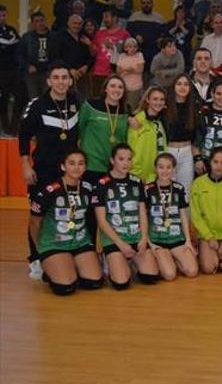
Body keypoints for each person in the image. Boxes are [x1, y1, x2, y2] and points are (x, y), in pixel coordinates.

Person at [19, 65, 81, 277]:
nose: (61, 82)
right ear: (48, 81)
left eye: (65, 77)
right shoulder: (37, 105)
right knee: (39, 215)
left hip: (69, 173)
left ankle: (60, 252)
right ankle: (35, 257)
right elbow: (24, 135)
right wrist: (25, 164)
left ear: (70, 81)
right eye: (56, 78)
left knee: (64, 212)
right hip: (43, 171)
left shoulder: (76, 102)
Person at [28, 149, 103, 295]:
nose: (77, 167)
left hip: (80, 242)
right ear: (63, 166)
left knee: (94, 282)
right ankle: (51, 268)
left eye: (81, 163)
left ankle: (70, 263)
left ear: (85, 167)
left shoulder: (88, 188)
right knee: (66, 288)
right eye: (72, 163)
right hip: (54, 243)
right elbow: (34, 222)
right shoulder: (50, 190)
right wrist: (40, 249)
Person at [93, 143, 160, 290]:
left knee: (151, 277)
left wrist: (143, 238)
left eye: (129, 159)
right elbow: (101, 221)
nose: (126, 163)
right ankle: (111, 260)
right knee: (121, 283)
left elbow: (142, 213)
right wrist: (120, 244)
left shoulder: (137, 182)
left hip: (135, 235)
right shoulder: (101, 184)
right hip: (115, 239)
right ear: (112, 160)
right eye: (121, 159)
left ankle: (130, 261)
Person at [145, 153, 198, 280]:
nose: (165, 171)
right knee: (169, 275)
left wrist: (188, 241)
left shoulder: (179, 188)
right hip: (157, 240)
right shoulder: (148, 189)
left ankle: (171, 258)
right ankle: (164, 258)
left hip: (176, 238)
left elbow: (183, 216)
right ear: (155, 169)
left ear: (174, 169)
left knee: (192, 272)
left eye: (169, 167)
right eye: (161, 167)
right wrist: (149, 243)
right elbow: (143, 218)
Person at [78, 75, 129, 183]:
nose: (116, 89)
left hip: (115, 166)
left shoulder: (126, 111)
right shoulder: (90, 106)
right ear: (105, 88)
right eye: (113, 86)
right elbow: (79, 128)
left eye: (120, 87)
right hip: (92, 163)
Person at [163, 74, 198, 189]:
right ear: (173, 86)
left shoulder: (194, 107)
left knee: (186, 190)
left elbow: (196, 135)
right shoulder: (164, 105)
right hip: (168, 151)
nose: (182, 87)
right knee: (168, 188)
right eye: (179, 84)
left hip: (187, 152)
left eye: (186, 84)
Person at [128, 86, 167, 183]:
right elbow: (132, 145)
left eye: (162, 99)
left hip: (155, 174)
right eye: (155, 99)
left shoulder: (161, 121)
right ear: (147, 100)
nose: (158, 102)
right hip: (138, 174)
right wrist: (135, 171)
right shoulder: (138, 120)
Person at [50, 13, 92, 98]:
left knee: (83, 101)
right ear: (68, 23)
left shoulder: (84, 37)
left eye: (79, 24)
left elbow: (91, 56)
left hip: (82, 76)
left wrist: (86, 66)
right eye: (74, 23)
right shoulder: (58, 37)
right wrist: (69, 69)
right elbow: (55, 56)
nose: (77, 26)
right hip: (65, 77)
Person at [91, 8, 130, 97]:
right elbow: (93, 53)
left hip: (115, 72)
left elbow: (129, 53)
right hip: (98, 72)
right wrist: (90, 44)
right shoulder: (99, 33)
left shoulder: (124, 34)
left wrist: (113, 47)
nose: (104, 20)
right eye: (103, 17)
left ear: (115, 18)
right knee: (97, 98)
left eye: (106, 17)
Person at [18, 11, 54, 99]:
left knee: (48, 98)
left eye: (42, 20)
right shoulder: (27, 37)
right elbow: (19, 54)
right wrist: (27, 66)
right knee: (33, 98)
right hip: (32, 74)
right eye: (37, 21)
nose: (40, 23)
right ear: (33, 23)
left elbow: (58, 54)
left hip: (48, 72)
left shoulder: (53, 36)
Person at [0, 5, 23, 136]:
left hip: (14, 71)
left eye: (4, 15)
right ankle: (5, 126)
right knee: (2, 100)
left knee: (21, 96)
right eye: (0, 15)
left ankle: (14, 125)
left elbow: (17, 47)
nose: (2, 18)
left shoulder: (11, 30)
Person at [116, 38, 145, 111]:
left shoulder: (139, 55)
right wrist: (127, 70)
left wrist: (129, 70)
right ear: (125, 48)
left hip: (135, 87)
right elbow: (118, 70)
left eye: (135, 47)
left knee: (132, 107)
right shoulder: (121, 56)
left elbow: (140, 69)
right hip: (123, 86)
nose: (133, 49)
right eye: (130, 47)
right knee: (122, 107)